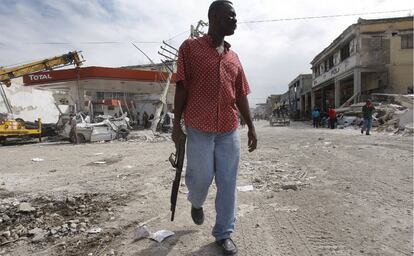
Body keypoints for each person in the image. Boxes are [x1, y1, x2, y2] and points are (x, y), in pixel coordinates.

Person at [172, 1, 257, 254]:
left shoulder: (234, 57)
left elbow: (240, 94)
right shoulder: (190, 48)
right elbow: (182, 86)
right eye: (230, 15)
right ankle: (196, 202)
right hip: (199, 126)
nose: (235, 20)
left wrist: (251, 126)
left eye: (236, 16)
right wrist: (176, 124)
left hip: (228, 129)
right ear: (213, 16)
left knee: (228, 181)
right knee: (201, 178)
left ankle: (223, 233)